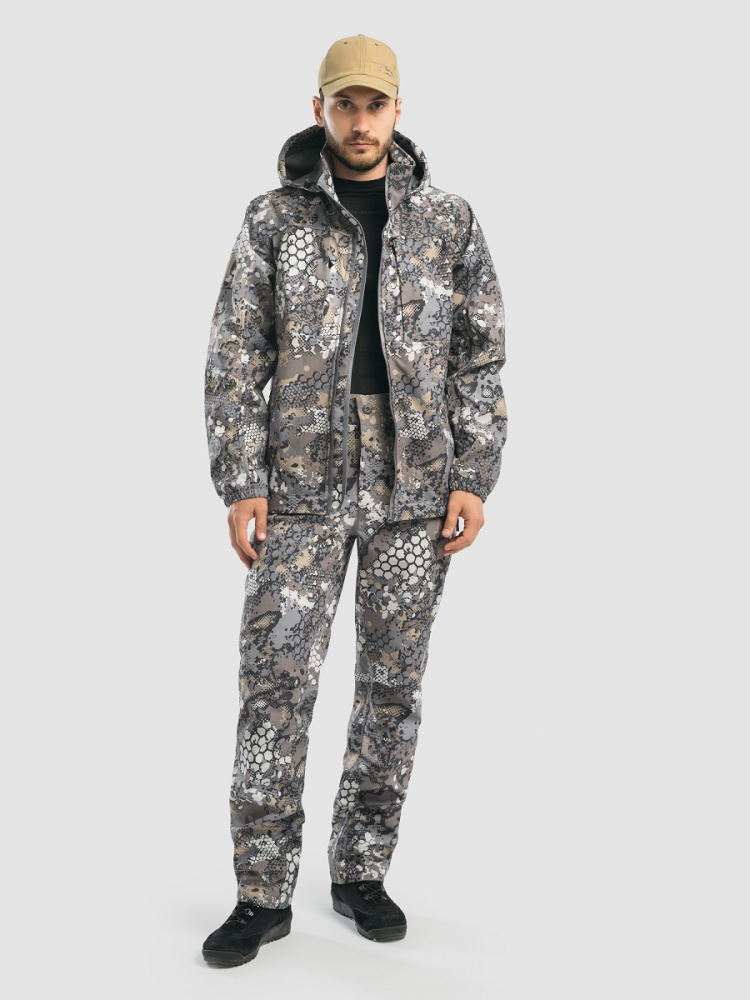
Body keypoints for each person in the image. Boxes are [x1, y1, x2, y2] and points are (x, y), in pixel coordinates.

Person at [201, 33, 508, 966]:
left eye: (376, 105)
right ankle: (261, 893)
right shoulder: (274, 220)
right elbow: (234, 353)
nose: (361, 121)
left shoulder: (449, 222)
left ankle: (361, 872)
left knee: (391, 688)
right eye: (346, 104)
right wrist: (242, 481)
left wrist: (473, 472)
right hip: (300, 485)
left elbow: (481, 355)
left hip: (415, 488)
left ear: (398, 111)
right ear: (321, 109)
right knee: (275, 684)